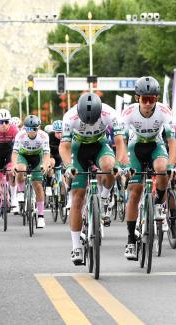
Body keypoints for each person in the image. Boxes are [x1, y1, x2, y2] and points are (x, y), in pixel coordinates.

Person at [61, 92, 127, 264]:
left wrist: (118, 164)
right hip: (78, 149)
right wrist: (69, 166)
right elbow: (64, 147)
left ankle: (104, 198)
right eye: (86, 121)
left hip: (100, 145)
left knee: (109, 167)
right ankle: (76, 246)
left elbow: (120, 142)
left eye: (93, 121)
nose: (90, 124)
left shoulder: (110, 113)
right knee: (77, 198)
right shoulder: (69, 117)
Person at [120, 76, 176, 260]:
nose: (147, 103)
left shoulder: (164, 111)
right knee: (135, 192)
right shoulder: (129, 112)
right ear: (137, 98)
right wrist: (124, 164)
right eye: (144, 99)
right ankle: (131, 240)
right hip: (135, 148)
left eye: (151, 99)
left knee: (162, 169)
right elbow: (121, 141)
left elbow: (172, 142)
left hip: (155, 145)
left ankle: (159, 204)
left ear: (156, 98)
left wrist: (171, 166)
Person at [11, 115, 51, 228]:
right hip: (23, 156)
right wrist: (14, 165)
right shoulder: (20, 135)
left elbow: (46, 154)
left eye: (34, 129)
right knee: (20, 169)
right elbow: (15, 153)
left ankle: (41, 216)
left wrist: (45, 164)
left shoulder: (44, 136)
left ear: (38, 128)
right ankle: (20, 191)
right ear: (24, 128)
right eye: (28, 129)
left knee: (37, 185)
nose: (31, 131)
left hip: (37, 157)